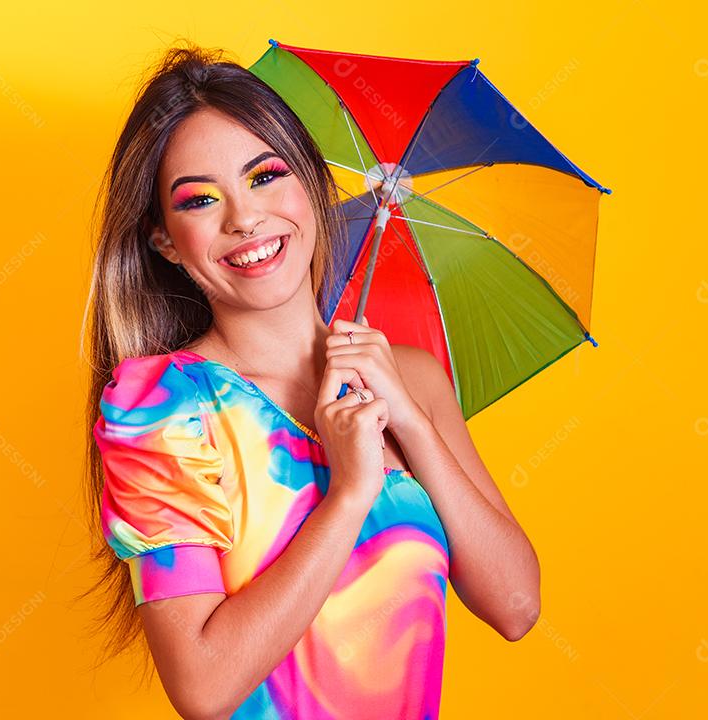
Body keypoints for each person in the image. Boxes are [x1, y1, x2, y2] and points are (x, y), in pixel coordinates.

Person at [80, 41, 541, 720]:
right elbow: (203, 688)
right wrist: (351, 492)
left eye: (265, 176)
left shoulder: (410, 376)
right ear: (165, 241)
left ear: (312, 186)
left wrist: (408, 418)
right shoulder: (162, 410)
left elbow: (516, 605)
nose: (244, 218)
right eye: (201, 199)